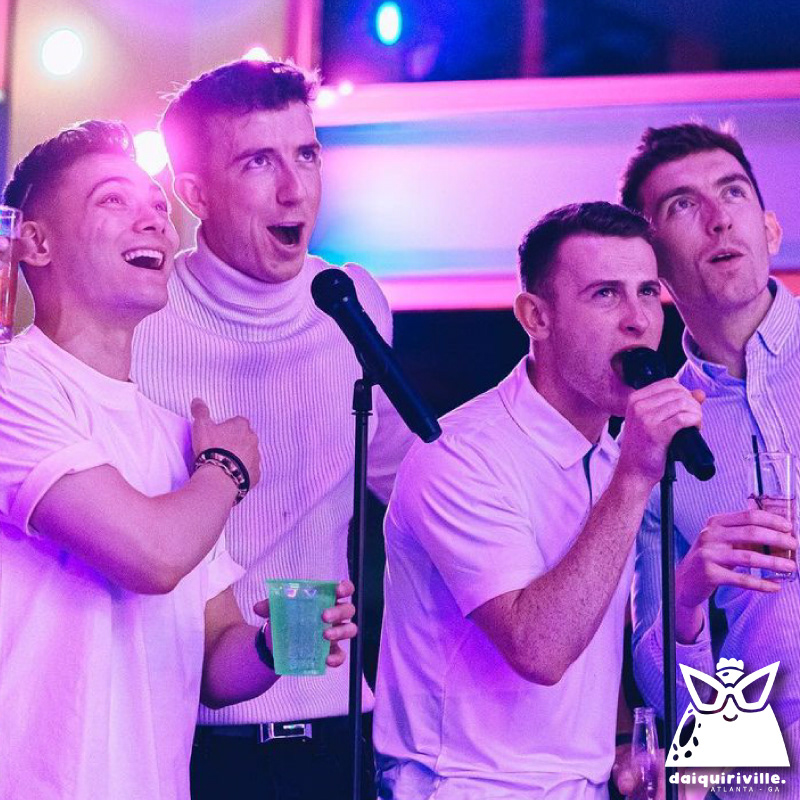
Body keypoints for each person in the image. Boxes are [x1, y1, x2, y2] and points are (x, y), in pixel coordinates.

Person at [0, 120, 356, 800]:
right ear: (36, 243)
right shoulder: (12, 382)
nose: (156, 223)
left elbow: (216, 663)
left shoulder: (174, 436)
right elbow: (153, 556)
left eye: (159, 207)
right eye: (113, 200)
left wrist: (277, 644)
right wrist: (226, 470)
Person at [131, 59, 413, 799]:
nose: (295, 190)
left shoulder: (354, 302)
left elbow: (408, 480)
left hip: (337, 724)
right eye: (259, 161)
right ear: (194, 193)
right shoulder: (143, 321)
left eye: (307, 154)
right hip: (187, 735)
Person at [373, 201, 702, 799]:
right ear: (536, 317)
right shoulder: (461, 456)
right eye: (606, 294)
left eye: (649, 292)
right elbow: (540, 649)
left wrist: (621, 744)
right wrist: (635, 477)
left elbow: (588, 643)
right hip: (469, 786)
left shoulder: (613, 455)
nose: (638, 321)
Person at [620, 122, 800, 770]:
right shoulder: (656, 435)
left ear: (770, 229)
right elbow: (662, 690)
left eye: (733, 193)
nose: (718, 219)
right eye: (682, 206)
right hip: (771, 776)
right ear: (655, 268)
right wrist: (687, 592)